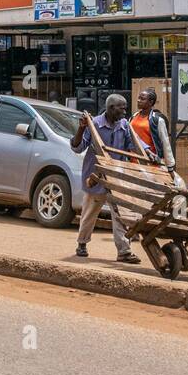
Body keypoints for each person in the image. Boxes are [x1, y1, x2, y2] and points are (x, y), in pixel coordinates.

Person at [70, 94, 141, 265]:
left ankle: (124, 251)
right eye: (121, 108)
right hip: (96, 177)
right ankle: (82, 243)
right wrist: (81, 128)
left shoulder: (124, 125)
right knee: (89, 214)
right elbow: (77, 147)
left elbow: (135, 145)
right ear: (110, 108)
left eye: (125, 107)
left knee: (120, 215)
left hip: (116, 177)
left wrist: (148, 154)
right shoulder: (94, 125)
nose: (124, 111)